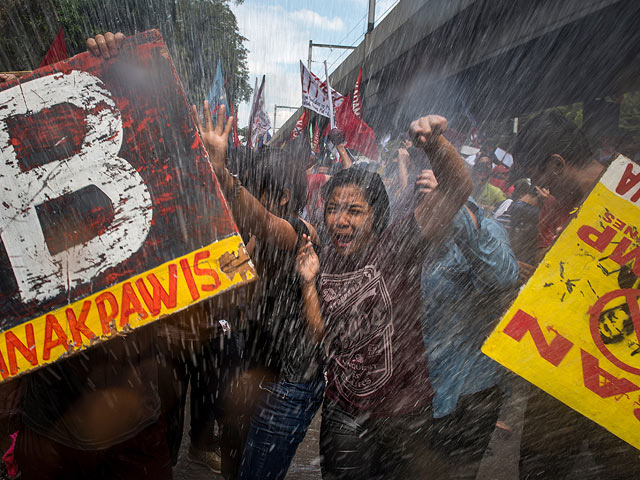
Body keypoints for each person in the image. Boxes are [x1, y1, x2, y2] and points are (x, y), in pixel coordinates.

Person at [296, 114, 472, 479]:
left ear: (376, 217)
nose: (339, 221)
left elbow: (457, 187)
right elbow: (322, 339)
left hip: (406, 415)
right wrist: (308, 283)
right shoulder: (323, 260)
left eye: (354, 211)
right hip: (344, 413)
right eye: (332, 209)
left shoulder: (400, 244)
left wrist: (435, 143)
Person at [194, 102, 325, 480]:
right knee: (234, 456)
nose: (245, 196)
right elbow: (228, 290)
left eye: (254, 188)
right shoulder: (248, 240)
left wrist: (225, 178)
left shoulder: (301, 233)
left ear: (282, 196)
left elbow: (266, 223)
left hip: (290, 380)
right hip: (253, 366)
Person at [512, 110, 640, 479]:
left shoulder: (627, 201)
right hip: (558, 379)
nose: (540, 191)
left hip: (620, 388)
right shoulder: (557, 210)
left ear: (557, 164)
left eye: (541, 180)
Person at [421, 196, 519, 479]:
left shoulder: (485, 229)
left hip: (471, 388)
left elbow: (502, 277)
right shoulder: (422, 240)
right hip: (426, 381)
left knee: (457, 472)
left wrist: (457, 202)